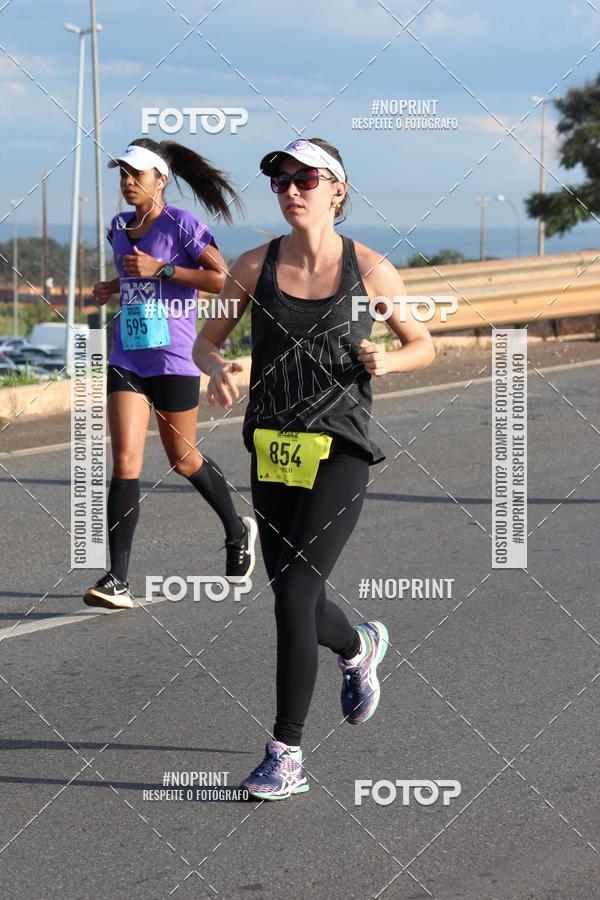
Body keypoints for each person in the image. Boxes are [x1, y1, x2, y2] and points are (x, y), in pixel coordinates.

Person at [192, 137, 435, 800]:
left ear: (337, 191)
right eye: (281, 181)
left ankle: (285, 754)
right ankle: (358, 644)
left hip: (341, 450)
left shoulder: (370, 268)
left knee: (296, 596)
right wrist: (222, 372)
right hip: (271, 448)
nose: (292, 189)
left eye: (307, 178)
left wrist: (389, 360)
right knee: (294, 596)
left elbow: (423, 344)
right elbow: (205, 341)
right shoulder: (252, 265)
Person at [84, 138, 257, 610]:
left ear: (160, 179)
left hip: (175, 359)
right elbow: (136, 276)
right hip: (128, 358)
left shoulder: (183, 224)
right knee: (125, 462)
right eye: (122, 174)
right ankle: (117, 580)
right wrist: (114, 285)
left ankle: (236, 526)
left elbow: (220, 278)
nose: (127, 182)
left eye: (136, 174)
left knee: (182, 458)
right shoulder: (118, 226)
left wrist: (161, 268)